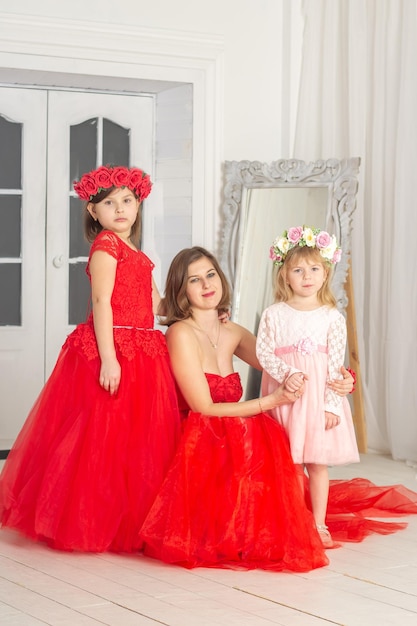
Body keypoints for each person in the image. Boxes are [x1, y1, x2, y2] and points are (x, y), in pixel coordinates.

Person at [0, 165, 181, 552]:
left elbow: (156, 305)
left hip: (143, 348)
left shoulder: (137, 251)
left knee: (136, 440)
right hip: (112, 345)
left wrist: (192, 307)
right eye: (109, 203)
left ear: (138, 206)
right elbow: (102, 301)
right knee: (100, 436)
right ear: (93, 212)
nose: (120, 209)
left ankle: (132, 518)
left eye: (128, 201)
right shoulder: (106, 246)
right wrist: (109, 358)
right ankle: (90, 518)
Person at [139, 246, 352, 572]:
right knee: (259, 467)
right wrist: (272, 402)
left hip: (237, 426)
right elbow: (204, 407)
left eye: (211, 274)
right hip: (199, 436)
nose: (206, 284)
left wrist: (341, 381)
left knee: (278, 449)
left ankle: (306, 521)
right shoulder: (180, 333)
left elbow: (288, 360)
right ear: (182, 289)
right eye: (194, 280)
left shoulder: (233, 331)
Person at [257, 226, 417, 548]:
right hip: (285, 393)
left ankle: (318, 523)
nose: (307, 276)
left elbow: (335, 363)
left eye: (314, 269)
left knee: (317, 463)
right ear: (285, 275)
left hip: (316, 397)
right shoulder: (274, 314)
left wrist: (331, 404)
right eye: (298, 270)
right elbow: (263, 351)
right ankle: (288, 519)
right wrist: (287, 373)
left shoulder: (332, 316)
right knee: (287, 463)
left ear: (326, 272)